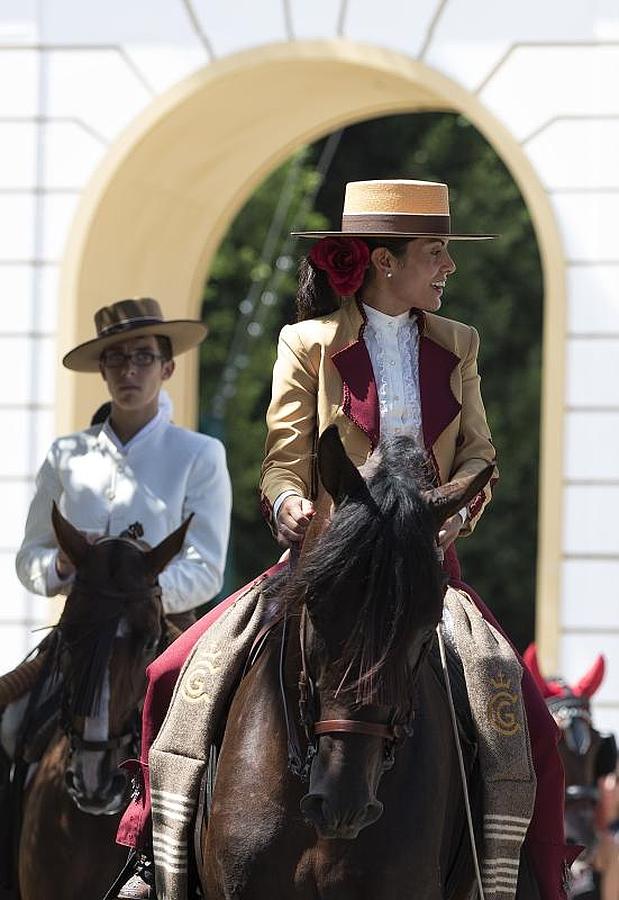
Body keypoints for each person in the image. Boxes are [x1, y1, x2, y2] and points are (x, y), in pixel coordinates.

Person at [112, 181, 573, 900]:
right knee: (172, 672)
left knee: (528, 717)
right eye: (435, 251)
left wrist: (456, 511)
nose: (448, 266)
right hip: (326, 562)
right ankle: (154, 862)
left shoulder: (460, 343)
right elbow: (282, 457)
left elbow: (480, 453)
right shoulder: (307, 343)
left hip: (423, 568)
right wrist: (288, 502)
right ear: (385, 262)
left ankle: (518, 879)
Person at [0, 297, 232, 888]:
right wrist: (61, 565)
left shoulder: (199, 454)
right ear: (102, 371)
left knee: (225, 748)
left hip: (162, 641)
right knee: (12, 725)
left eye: (143, 358)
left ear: (167, 367)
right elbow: (30, 559)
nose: (130, 370)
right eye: (116, 359)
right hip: (77, 640)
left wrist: (133, 600)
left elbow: (206, 568)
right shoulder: (65, 455)